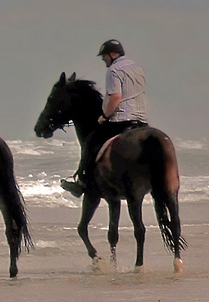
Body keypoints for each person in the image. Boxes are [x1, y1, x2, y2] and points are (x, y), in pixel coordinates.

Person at [61, 39, 148, 197]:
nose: (103, 59)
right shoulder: (138, 68)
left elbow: (115, 97)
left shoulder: (114, 70)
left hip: (122, 120)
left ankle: (82, 182)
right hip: (142, 121)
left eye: (104, 56)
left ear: (113, 54)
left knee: (90, 142)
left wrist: (104, 116)